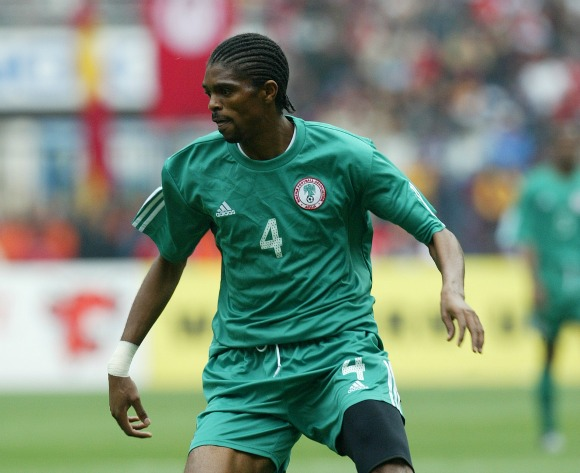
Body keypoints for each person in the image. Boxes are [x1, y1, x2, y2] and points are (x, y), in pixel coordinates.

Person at [108, 32, 484, 473]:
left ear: (268, 92)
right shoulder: (192, 170)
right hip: (246, 369)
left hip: (338, 354)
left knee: (391, 469)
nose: (213, 105)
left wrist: (453, 289)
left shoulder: (347, 156)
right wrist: (121, 362)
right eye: (209, 92)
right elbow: (169, 262)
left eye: (226, 92)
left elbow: (436, 231)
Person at [513, 122, 580, 453]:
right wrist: (536, 282)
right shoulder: (536, 186)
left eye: (573, 144)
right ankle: (549, 429)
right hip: (551, 285)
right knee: (549, 356)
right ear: (554, 148)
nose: (569, 150)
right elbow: (526, 238)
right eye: (563, 145)